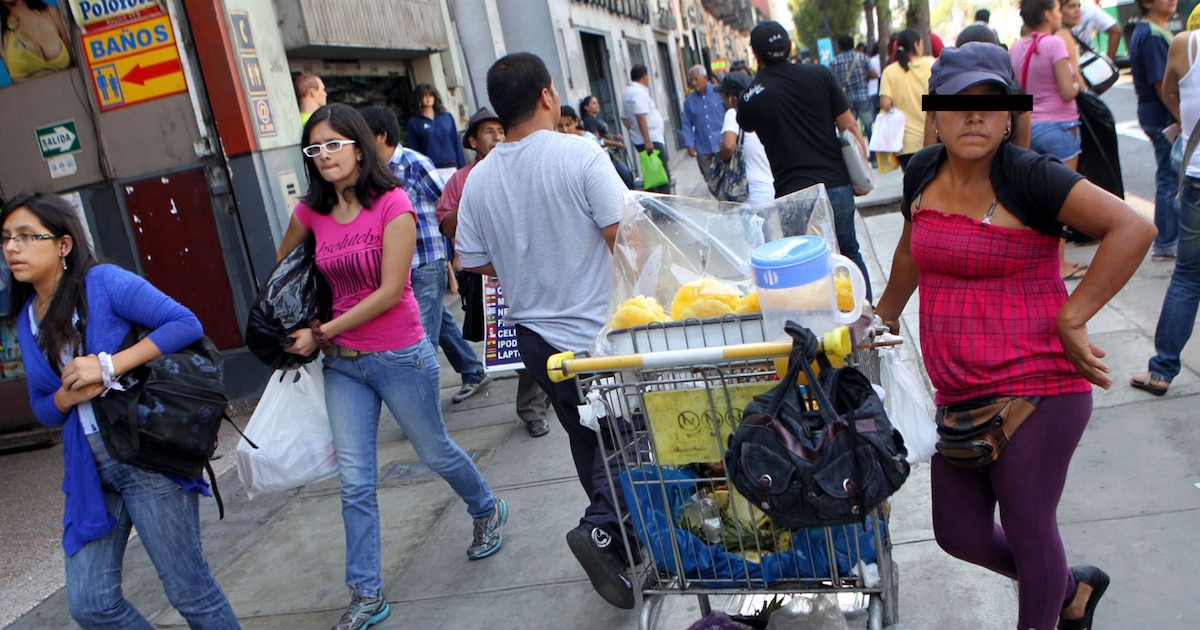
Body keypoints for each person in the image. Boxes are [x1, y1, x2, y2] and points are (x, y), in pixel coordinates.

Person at [873, 43, 1155, 630]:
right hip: (959, 393)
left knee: (1030, 529)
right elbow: (909, 252)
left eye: (990, 102)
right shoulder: (923, 172)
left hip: (1040, 387)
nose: (974, 115)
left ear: (1010, 114)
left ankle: (1048, 605)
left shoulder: (1029, 176)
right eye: (958, 103)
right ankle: (1070, 589)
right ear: (936, 113)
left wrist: (1073, 317)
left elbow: (1133, 226)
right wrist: (886, 314)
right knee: (958, 534)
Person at [278, 103, 506, 630]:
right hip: (341, 366)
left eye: (333, 144)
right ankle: (365, 592)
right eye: (315, 148)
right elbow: (284, 276)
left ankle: (486, 506)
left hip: (398, 352)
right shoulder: (307, 215)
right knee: (355, 482)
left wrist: (324, 331)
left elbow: (389, 290)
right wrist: (299, 322)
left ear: (359, 146)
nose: (325, 155)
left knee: (434, 451)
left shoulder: (393, 204)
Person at [2, 193, 240, 628]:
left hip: (145, 452)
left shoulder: (104, 282)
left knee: (189, 589)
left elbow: (185, 323)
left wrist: (108, 364)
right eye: (5, 239)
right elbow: (44, 408)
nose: (12, 248)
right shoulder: (26, 319)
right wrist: (64, 398)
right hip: (90, 470)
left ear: (63, 244)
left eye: (25, 236)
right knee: (91, 602)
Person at [453, 52, 638, 610]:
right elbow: (625, 236)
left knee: (590, 444)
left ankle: (618, 544)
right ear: (548, 96)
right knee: (630, 442)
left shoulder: (479, 179)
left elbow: (472, 261)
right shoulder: (579, 153)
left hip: (536, 339)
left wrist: (526, 261)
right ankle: (604, 531)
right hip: (595, 336)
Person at [358, 105, 493, 405]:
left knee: (419, 336)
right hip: (398, 265)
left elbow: (445, 204)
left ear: (380, 136)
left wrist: (457, 251)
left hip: (426, 259)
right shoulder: (369, 172)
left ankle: (421, 404)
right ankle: (473, 370)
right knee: (439, 321)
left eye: (361, 135)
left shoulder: (414, 163)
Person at [736, 21, 872, 302]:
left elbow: (746, 126)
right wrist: (863, 172)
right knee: (848, 251)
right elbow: (850, 126)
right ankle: (866, 318)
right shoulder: (821, 74)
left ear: (756, 55)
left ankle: (821, 325)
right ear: (789, 46)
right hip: (835, 184)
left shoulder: (750, 96)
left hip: (793, 193)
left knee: (807, 262)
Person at [437, 107, 552, 438]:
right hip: (486, 275)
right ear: (473, 140)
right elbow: (446, 223)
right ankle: (539, 400)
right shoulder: (461, 180)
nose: (496, 137)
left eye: (500, 130)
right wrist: (475, 196)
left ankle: (537, 405)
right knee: (511, 347)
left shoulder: (521, 168)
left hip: (529, 267)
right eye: (488, 131)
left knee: (539, 335)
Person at [1132, 23, 1200, 397]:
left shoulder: (1185, 44)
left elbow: (1171, 93)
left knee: (1188, 277)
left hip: (1198, 178)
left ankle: (1161, 371)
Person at [1012, 0, 1091, 281]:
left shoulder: (1017, 46)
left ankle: (1037, 261)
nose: (1059, 15)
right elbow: (1068, 91)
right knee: (1062, 199)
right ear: (1047, 14)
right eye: (1057, 10)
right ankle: (1059, 263)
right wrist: (1079, 82)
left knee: (1033, 198)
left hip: (1029, 128)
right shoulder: (1055, 44)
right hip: (1061, 127)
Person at [1130, 0, 1181, 262]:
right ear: (1147, 3)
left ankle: (1168, 239)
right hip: (1163, 117)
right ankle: (1166, 242)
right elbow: (1162, 82)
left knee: (1170, 177)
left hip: (1156, 115)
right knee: (1170, 179)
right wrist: (1180, 115)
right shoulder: (1151, 35)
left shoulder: (1151, 30)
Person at [715, 72, 774, 205]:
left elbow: (729, 146)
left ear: (731, 97)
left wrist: (723, 158)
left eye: (723, 95)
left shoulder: (733, 113)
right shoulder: (761, 111)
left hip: (750, 191)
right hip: (770, 187)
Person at [880, 29, 933, 171]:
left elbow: (885, 103)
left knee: (914, 186)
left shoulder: (890, 71)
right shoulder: (932, 64)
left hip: (906, 143)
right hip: (934, 137)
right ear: (916, 45)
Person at [622, 64, 671, 193]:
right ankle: (665, 207)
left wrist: (633, 131)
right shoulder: (638, 93)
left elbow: (624, 118)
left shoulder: (628, 92)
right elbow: (641, 117)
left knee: (652, 173)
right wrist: (647, 139)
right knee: (662, 175)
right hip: (651, 140)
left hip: (642, 138)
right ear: (644, 75)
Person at [405, 83, 467, 180]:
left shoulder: (447, 117)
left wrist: (463, 168)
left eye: (431, 95)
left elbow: (456, 143)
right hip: (431, 169)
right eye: (425, 96)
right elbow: (414, 151)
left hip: (451, 166)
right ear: (419, 99)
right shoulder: (414, 123)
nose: (428, 98)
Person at [0, 0, 69, 82]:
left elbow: (77, 64)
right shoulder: (2, 32)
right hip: (30, 94)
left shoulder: (51, 14)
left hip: (68, 90)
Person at [579, 94, 635, 188]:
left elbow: (602, 134)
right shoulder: (589, 121)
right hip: (607, 153)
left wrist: (613, 136)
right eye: (593, 103)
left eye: (597, 103)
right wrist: (616, 144)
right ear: (586, 107)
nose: (597, 105)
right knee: (626, 176)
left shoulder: (594, 119)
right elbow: (597, 139)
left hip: (611, 153)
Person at [681, 64, 726, 180]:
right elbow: (687, 123)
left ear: (705, 78)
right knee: (711, 182)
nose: (694, 83)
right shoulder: (689, 101)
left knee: (726, 180)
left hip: (722, 145)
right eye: (691, 80)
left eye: (696, 79)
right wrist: (689, 143)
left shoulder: (719, 92)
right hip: (703, 149)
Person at [831, 34, 879, 140]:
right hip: (862, 97)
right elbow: (874, 74)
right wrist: (864, 78)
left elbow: (832, 81)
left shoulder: (834, 62)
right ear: (853, 44)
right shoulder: (862, 57)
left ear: (840, 46)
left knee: (851, 129)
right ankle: (873, 154)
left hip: (845, 100)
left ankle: (856, 153)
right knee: (868, 125)